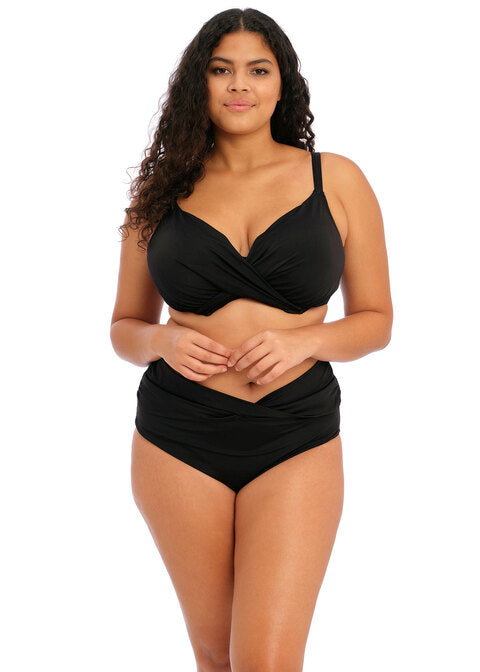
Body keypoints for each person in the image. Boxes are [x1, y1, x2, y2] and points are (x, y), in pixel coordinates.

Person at [110, 8, 393, 671]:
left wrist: (306, 342)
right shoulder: (159, 192)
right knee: (216, 656)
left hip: (296, 430)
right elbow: (124, 327)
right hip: (178, 434)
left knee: (266, 660)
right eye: (222, 69)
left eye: (258, 70)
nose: (240, 85)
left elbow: (376, 319)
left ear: (282, 83)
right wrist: (160, 344)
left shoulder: (336, 179)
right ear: (199, 84)